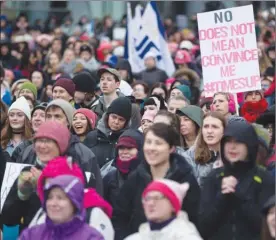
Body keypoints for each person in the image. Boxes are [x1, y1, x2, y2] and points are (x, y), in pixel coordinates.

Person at [113, 123, 200, 239]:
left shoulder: (184, 178)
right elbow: (119, 216)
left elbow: (196, 218)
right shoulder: (136, 177)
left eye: (158, 143)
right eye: (148, 142)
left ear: (171, 148)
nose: (151, 148)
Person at [198, 121, 275, 240]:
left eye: (238, 142)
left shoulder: (264, 179)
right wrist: (222, 197)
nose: (232, 147)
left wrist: (239, 195)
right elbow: (203, 227)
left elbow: (266, 227)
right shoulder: (213, 177)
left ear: (249, 145)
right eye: (228, 141)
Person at [15, 99, 103, 195]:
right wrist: (23, 188)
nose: (52, 121)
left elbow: (92, 195)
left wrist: (45, 182)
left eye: (57, 116)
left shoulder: (84, 155)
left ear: (68, 122)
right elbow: (14, 195)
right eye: (48, 116)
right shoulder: (29, 151)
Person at [1, 121, 71, 231]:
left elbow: (73, 217)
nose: (42, 146)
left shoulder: (72, 172)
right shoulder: (29, 171)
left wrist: (43, 186)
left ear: (60, 145)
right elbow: (9, 219)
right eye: (39, 141)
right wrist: (21, 194)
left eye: (48, 141)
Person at [29, 156, 114, 240]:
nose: (51, 191)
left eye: (58, 186)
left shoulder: (93, 215)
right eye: (47, 186)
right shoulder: (43, 212)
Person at [19, 175, 104, 240]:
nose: (53, 203)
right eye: (50, 197)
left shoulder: (92, 237)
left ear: (75, 203)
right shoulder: (31, 235)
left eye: (60, 198)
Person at [125, 180, 202, 240]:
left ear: (173, 205)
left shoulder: (187, 236)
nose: (151, 203)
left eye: (157, 198)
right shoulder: (134, 238)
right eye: (147, 198)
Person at [84, 97, 132, 168]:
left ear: (126, 122)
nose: (116, 122)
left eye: (121, 119)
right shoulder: (92, 136)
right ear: (107, 116)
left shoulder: (129, 141)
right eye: (114, 117)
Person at [102, 129, 144, 208]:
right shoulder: (109, 177)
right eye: (121, 148)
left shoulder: (148, 177)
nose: (124, 152)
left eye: (129, 148)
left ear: (140, 150)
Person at [185, 112, 226, 187]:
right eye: (206, 126)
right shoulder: (189, 156)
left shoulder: (231, 155)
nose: (209, 131)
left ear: (223, 131)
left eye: (215, 127)